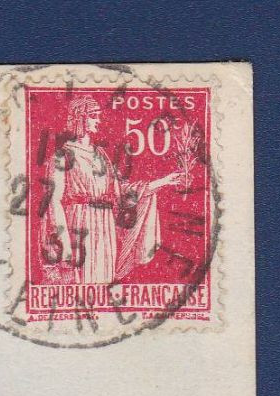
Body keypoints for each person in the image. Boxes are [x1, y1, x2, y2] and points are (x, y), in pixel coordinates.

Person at [45, 96, 193, 288]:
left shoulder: (101, 156)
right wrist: (64, 245)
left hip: (105, 227)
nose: (98, 120)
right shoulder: (62, 155)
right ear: (81, 118)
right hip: (80, 226)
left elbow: (120, 193)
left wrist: (162, 182)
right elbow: (53, 202)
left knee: (103, 283)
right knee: (81, 285)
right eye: (93, 116)